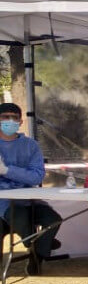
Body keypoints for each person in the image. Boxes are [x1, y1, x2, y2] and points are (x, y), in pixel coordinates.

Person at [0, 103, 62, 275]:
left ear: (20, 121)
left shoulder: (30, 145)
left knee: (54, 219)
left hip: (29, 198)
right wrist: (21, 174)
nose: (10, 121)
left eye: (14, 117)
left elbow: (36, 177)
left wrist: (7, 170)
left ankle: (37, 251)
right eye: (5, 117)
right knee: (20, 218)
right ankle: (39, 247)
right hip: (3, 203)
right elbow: (29, 175)